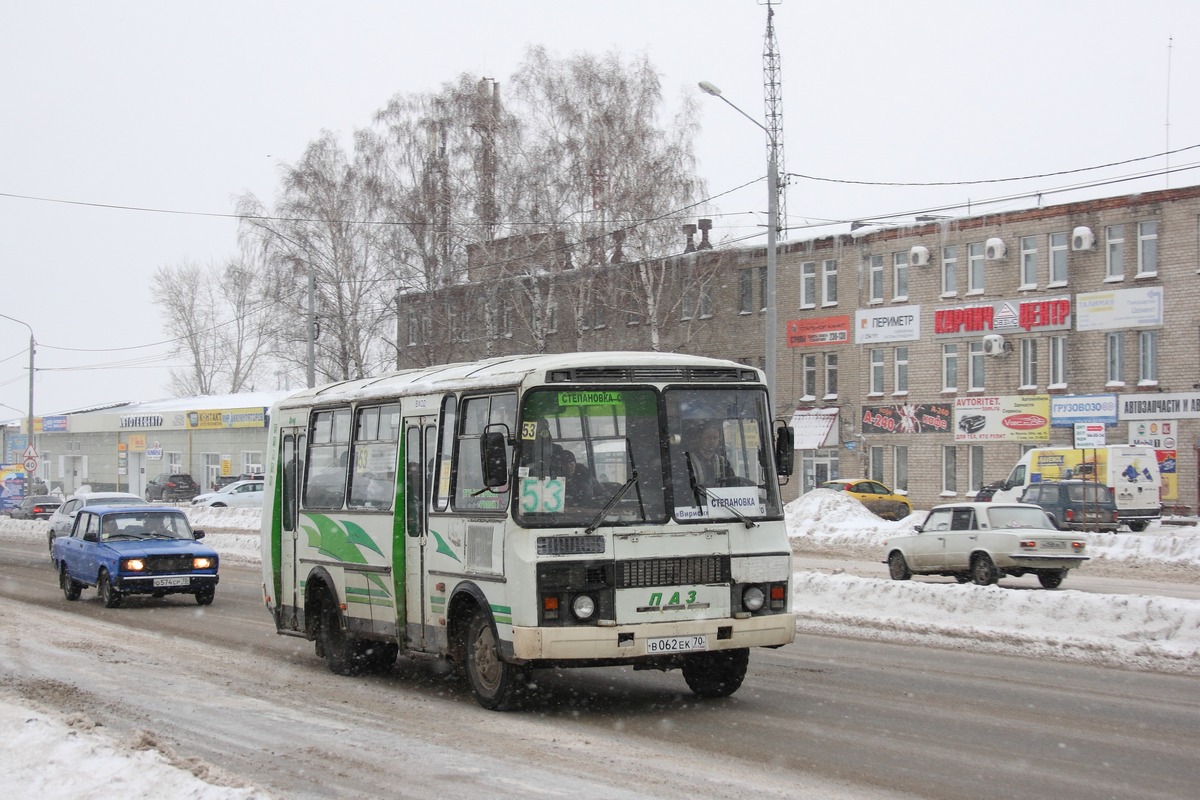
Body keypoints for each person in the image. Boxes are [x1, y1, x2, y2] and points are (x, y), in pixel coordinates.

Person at [689, 422, 735, 487]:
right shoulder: (688, 461)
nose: (712, 441)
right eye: (708, 437)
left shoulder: (724, 463)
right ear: (699, 438)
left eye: (715, 438)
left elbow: (733, 485)